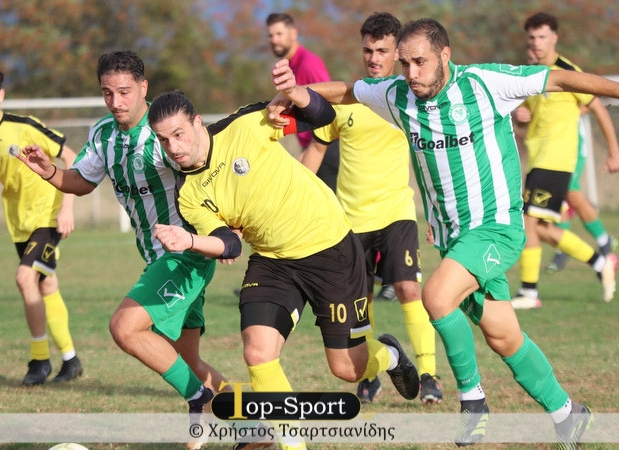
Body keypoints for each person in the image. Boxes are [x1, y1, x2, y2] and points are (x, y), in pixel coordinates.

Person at [291, 17, 619, 448]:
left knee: (435, 296)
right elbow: (344, 91)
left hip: (497, 228)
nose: (411, 73)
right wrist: (291, 97)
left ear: (445, 56)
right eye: (404, 64)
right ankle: (568, 415)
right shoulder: (398, 95)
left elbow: (561, 79)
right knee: (504, 335)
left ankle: (473, 402)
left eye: (420, 62)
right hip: (455, 240)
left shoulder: (485, 83)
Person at [149, 59, 420, 450]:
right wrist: (189, 241)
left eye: (178, 134)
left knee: (347, 368)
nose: (174, 147)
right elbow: (229, 244)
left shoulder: (246, 124)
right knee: (258, 351)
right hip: (274, 261)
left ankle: (391, 356)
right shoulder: (189, 194)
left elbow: (321, 115)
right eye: (163, 140)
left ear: (197, 122)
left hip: (330, 247)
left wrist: (294, 93)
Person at [17, 51, 226, 449]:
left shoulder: (166, 131)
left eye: (125, 92)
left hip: (187, 255)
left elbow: (208, 173)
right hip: (156, 257)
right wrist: (49, 172)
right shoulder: (103, 135)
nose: (116, 102)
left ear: (143, 89)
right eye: (107, 93)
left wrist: (223, 232)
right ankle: (257, 430)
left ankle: (200, 401)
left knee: (124, 327)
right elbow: (82, 180)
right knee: (190, 362)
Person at [299, 12, 442, 406]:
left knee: (409, 287)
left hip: (397, 212)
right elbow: (316, 148)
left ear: (398, 52)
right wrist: (294, 194)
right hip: (349, 221)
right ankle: (371, 374)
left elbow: (429, 159)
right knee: (358, 303)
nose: (374, 57)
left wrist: (433, 212)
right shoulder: (347, 99)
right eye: (368, 50)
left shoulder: (409, 99)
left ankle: (428, 373)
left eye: (382, 50)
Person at [0, 65, 83, 386]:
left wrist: (67, 207)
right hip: (19, 221)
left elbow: (72, 156)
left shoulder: (23, 126)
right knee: (44, 286)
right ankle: (71, 360)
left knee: (25, 278)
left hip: (49, 213)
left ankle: (39, 360)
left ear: (0, 95)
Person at [510, 12, 619, 309]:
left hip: (556, 160)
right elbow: (527, 119)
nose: (536, 43)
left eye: (542, 37)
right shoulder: (530, 74)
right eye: (532, 37)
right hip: (537, 160)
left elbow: (599, 107)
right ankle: (600, 262)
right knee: (541, 229)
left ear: (554, 38)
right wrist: (520, 118)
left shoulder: (568, 71)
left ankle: (529, 293)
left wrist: (614, 151)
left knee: (526, 222)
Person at [266, 12, 339, 191]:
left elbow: (331, 103)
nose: (274, 40)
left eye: (279, 34)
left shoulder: (309, 63)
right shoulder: (290, 66)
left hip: (326, 149)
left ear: (294, 33)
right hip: (313, 148)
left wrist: (312, 149)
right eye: (270, 35)